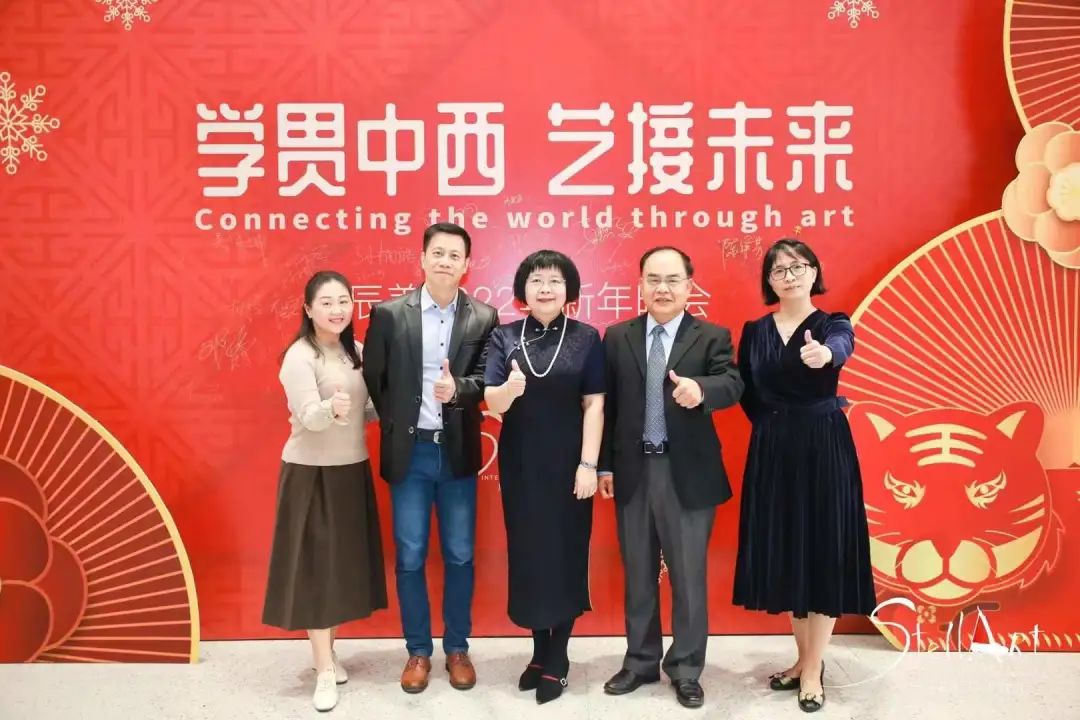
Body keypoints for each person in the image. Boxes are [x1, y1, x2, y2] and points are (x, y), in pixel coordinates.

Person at [731, 238, 876, 713]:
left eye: (798, 267)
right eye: (779, 270)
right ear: (768, 281)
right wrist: (773, 428)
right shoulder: (754, 330)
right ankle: (801, 659)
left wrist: (826, 357)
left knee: (822, 551)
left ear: (814, 272)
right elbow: (747, 391)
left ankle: (813, 669)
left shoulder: (833, 324)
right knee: (789, 552)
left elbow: (841, 347)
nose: (789, 276)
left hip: (823, 447)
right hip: (774, 450)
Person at [598, 246, 744, 709]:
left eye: (672, 280)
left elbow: (733, 383)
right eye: (653, 279)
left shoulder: (711, 336)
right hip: (633, 469)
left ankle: (685, 668)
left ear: (689, 286)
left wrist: (701, 389)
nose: (662, 288)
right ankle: (640, 661)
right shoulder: (617, 336)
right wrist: (604, 465)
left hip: (687, 474)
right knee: (638, 573)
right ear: (641, 284)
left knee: (688, 576)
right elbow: (607, 406)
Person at [362, 222, 499, 694]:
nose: (445, 261)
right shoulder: (388, 314)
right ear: (422, 259)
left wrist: (457, 389)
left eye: (454, 255)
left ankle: (457, 648)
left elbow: (487, 378)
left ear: (467, 265)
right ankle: (418, 651)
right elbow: (376, 379)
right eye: (437, 253)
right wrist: (402, 423)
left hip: (457, 453)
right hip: (411, 453)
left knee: (460, 554)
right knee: (410, 555)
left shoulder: (484, 317)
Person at [483, 250, 605, 704]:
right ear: (523, 290)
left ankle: (559, 655)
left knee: (565, 553)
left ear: (568, 289)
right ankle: (538, 652)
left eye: (555, 280)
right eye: (536, 280)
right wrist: (508, 390)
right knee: (530, 554)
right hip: (521, 463)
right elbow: (491, 402)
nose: (546, 288)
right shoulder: (504, 337)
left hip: (570, 464)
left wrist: (588, 464)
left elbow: (594, 404)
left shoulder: (587, 337)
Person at [262, 270, 387, 713]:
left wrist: (395, 403)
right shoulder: (299, 357)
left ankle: (329, 654)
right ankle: (323, 671)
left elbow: (364, 412)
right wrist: (330, 408)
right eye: (327, 302)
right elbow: (310, 418)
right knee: (316, 571)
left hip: (350, 470)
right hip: (310, 473)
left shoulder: (357, 352)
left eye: (343, 301)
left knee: (338, 569)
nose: (337, 310)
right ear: (308, 309)